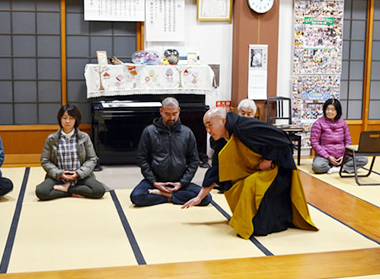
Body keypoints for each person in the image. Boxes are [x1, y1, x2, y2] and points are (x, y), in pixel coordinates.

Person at [182, 108, 317, 239]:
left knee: (249, 186)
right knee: (231, 185)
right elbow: (216, 169)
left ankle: (253, 223)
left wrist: (268, 159)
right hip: (255, 170)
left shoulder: (244, 126)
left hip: (278, 170)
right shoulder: (219, 141)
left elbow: (280, 138)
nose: (208, 131)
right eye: (205, 127)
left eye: (209, 125)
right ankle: (247, 219)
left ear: (223, 121)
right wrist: (199, 197)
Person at [130, 97, 212, 207]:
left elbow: (194, 161)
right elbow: (142, 159)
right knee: (137, 197)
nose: (172, 118)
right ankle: (174, 197)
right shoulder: (149, 132)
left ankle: (165, 196)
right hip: (156, 181)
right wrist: (154, 182)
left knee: (206, 197)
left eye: (175, 113)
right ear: (161, 111)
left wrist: (182, 182)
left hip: (179, 182)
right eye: (167, 114)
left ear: (179, 110)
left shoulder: (187, 133)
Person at [36, 104, 106, 200]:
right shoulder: (52, 139)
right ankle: (72, 192)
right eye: (65, 118)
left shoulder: (84, 137)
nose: (67, 121)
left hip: (80, 177)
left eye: (71, 118)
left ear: (76, 120)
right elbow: (45, 160)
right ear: (60, 119)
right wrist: (59, 173)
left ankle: (66, 189)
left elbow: (92, 159)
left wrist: (78, 173)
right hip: (58, 177)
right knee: (41, 192)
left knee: (99, 190)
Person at [310, 98, 368, 174]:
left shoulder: (343, 123)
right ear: (324, 110)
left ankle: (340, 168)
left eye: (333, 110)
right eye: (328, 109)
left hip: (342, 156)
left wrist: (344, 155)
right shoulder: (318, 123)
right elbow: (314, 143)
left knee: (363, 159)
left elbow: (348, 141)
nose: (330, 112)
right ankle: (332, 167)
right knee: (317, 166)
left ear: (338, 111)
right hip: (325, 157)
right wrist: (328, 156)